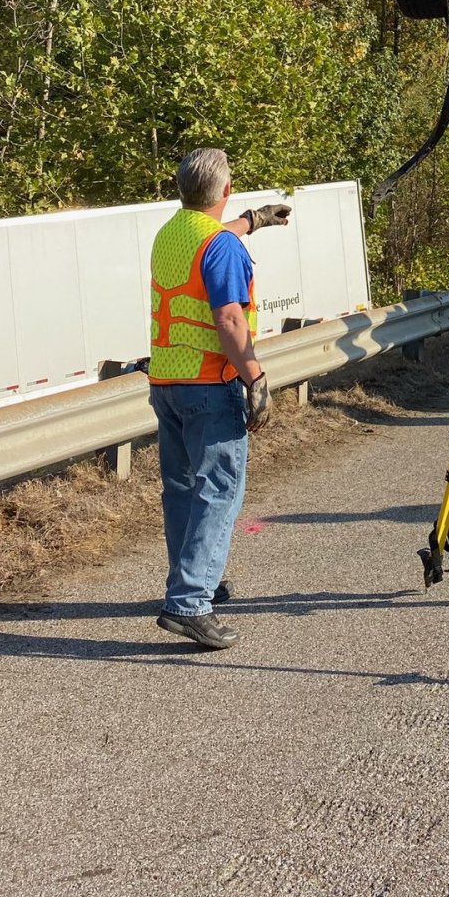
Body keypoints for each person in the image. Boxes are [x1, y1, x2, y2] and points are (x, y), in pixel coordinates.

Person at [148, 147, 291, 648]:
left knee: (183, 490)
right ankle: (189, 602)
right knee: (219, 490)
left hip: (168, 381)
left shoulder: (172, 233)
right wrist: (254, 376)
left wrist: (252, 222)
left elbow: (212, 237)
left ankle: (188, 580)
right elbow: (230, 319)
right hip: (211, 383)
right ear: (225, 191)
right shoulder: (221, 249)